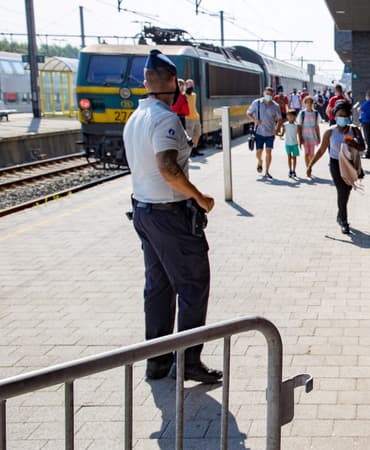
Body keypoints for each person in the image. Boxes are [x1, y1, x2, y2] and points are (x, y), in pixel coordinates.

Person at [123, 49, 221, 384]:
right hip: (170, 215)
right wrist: (200, 197)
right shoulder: (164, 118)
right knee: (193, 285)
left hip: (144, 211)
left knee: (159, 287)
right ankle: (189, 361)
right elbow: (167, 167)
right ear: (168, 83)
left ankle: (158, 361)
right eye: (177, 81)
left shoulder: (136, 117)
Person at [307, 100, 365, 234]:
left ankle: (340, 214)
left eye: (345, 115)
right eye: (340, 115)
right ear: (335, 115)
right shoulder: (330, 132)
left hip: (350, 165)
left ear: (349, 116)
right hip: (335, 164)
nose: (343, 118)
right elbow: (321, 150)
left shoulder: (354, 130)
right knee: (342, 190)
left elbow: (363, 147)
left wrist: (353, 143)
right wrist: (310, 165)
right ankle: (344, 221)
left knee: (347, 191)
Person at [246, 87, 283, 180]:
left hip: (270, 133)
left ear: (273, 95)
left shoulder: (275, 106)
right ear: (264, 93)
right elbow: (248, 113)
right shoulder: (256, 103)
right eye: (267, 94)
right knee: (259, 152)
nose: (268, 96)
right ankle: (260, 161)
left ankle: (267, 171)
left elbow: (279, 119)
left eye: (270, 94)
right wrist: (254, 120)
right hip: (259, 132)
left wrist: (277, 129)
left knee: (268, 151)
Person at [299, 95, 321, 171]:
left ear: (313, 103)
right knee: (306, 154)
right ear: (305, 103)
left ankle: (310, 166)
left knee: (312, 154)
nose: (309, 104)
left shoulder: (316, 113)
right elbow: (299, 126)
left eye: (310, 102)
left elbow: (317, 126)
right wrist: (300, 137)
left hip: (313, 136)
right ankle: (307, 168)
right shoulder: (302, 113)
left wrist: (319, 137)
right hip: (304, 136)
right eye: (307, 102)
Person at [184, 79, 203, 157]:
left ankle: (195, 149)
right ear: (186, 85)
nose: (191, 86)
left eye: (192, 84)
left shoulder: (194, 95)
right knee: (190, 135)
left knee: (198, 134)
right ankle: (190, 151)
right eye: (189, 84)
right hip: (188, 118)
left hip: (196, 117)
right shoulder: (183, 95)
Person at [357, 90, 370, 158]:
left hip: (366, 122)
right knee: (369, 138)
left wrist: (362, 112)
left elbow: (359, 109)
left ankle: (368, 154)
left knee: (368, 138)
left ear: (367, 96)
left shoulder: (368, 103)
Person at [282, 109, 301, 178]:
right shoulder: (285, 125)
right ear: (287, 116)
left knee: (294, 157)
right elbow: (282, 134)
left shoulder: (297, 125)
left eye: (292, 116)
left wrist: (300, 143)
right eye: (289, 115)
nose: (290, 117)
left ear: (295, 117)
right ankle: (290, 170)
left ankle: (294, 170)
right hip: (287, 144)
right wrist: (277, 134)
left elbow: (299, 135)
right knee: (289, 157)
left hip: (295, 144)